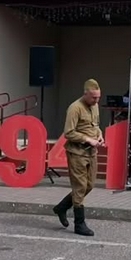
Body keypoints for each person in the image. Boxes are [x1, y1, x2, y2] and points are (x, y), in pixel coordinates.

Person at [52, 79, 104, 236]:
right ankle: (79, 224)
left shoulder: (94, 106)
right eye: (93, 97)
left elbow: (95, 126)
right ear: (85, 93)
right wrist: (88, 139)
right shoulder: (75, 108)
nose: (96, 100)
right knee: (80, 187)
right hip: (77, 153)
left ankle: (61, 207)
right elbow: (69, 132)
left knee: (90, 185)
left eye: (98, 97)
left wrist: (100, 136)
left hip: (91, 152)